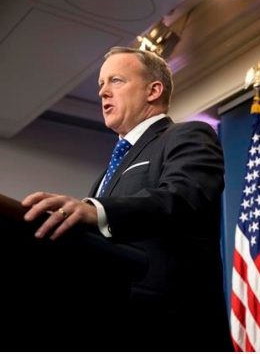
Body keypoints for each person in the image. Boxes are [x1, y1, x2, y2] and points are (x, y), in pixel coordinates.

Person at [21, 46, 232, 351]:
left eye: (116, 81)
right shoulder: (108, 171)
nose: (103, 92)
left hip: (172, 330)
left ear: (153, 90)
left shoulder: (189, 135)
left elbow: (182, 196)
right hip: (114, 326)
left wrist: (96, 211)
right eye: (101, 85)